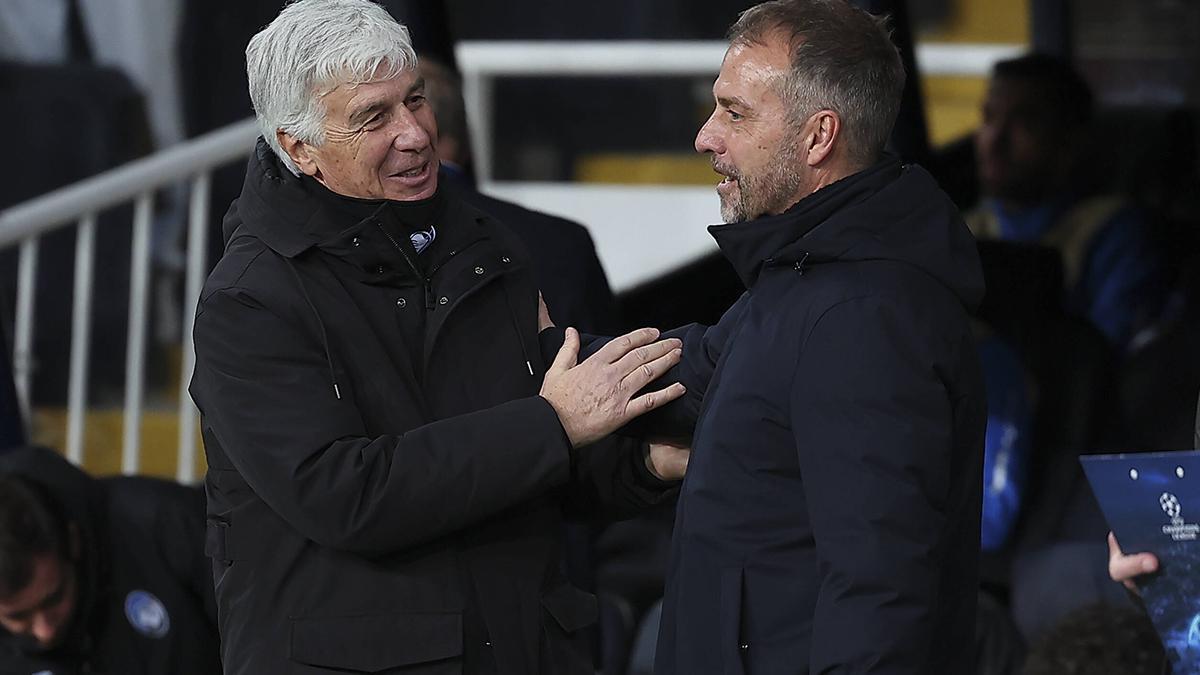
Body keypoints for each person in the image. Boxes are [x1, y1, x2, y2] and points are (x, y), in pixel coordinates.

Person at [187, 2, 689, 674]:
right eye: (374, 117)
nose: (416, 133)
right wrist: (552, 424)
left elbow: (530, 465)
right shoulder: (250, 299)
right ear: (300, 148)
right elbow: (346, 496)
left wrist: (644, 464)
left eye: (415, 99)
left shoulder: (486, 246)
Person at [628, 1, 987, 672]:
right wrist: (532, 347)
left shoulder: (864, 315)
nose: (706, 137)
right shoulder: (804, 280)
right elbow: (683, 371)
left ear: (819, 136)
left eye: (735, 113)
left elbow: (878, 591)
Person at [967, 54, 1165, 350]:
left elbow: (1111, 356)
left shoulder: (1111, 233)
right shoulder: (961, 229)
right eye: (988, 117)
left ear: (1069, 142)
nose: (994, 139)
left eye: (1024, 124)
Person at [0, 446, 220, 674]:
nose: (45, 631)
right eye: (17, 616)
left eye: (54, 598)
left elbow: (246, 632)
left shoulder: (162, 523)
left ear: (73, 541)